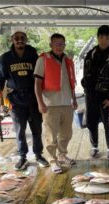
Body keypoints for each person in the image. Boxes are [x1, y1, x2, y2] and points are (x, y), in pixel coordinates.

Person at [0, 27, 49, 170]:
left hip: (33, 98)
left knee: (37, 129)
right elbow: (0, 80)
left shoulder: (34, 55)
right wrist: (0, 100)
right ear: (12, 39)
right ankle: (22, 157)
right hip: (16, 99)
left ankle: (38, 155)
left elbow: (41, 76)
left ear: (26, 39)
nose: (20, 40)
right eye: (16, 37)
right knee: (20, 131)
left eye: (22, 37)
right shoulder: (4, 58)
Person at [34, 33, 77, 174]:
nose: (59, 46)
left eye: (62, 43)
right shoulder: (43, 59)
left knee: (66, 134)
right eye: (56, 43)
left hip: (67, 103)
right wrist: (40, 103)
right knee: (51, 136)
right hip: (50, 105)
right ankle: (53, 160)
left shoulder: (68, 60)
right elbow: (37, 83)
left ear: (64, 45)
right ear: (50, 45)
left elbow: (71, 83)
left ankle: (62, 155)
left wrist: (74, 99)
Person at [82, 25, 109, 160]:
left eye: (107, 38)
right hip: (91, 97)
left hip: (106, 98)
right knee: (91, 123)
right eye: (101, 37)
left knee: (108, 124)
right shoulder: (90, 53)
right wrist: (87, 93)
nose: (104, 40)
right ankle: (95, 147)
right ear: (98, 38)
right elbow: (85, 76)